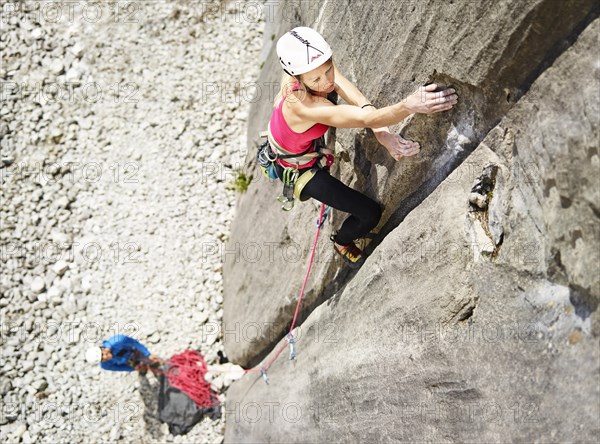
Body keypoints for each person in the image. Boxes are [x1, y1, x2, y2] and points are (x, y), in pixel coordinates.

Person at [268, 27, 458, 265]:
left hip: (299, 146)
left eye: (328, 69)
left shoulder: (309, 68)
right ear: (298, 79)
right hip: (300, 170)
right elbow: (365, 118)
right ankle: (342, 241)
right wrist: (408, 106)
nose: (327, 81)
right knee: (369, 214)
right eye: (316, 79)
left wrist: (381, 133)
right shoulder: (302, 105)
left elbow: (352, 98)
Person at [86, 334, 161, 373]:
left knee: (152, 361)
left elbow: (134, 342)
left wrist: (148, 354)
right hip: (129, 362)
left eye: (102, 354)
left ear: (101, 348)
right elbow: (119, 368)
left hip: (135, 352)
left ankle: (156, 365)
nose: (105, 358)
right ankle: (143, 369)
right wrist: (132, 369)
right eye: (102, 359)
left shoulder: (118, 340)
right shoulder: (105, 365)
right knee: (141, 368)